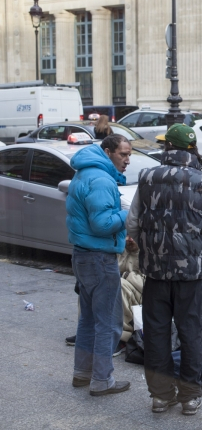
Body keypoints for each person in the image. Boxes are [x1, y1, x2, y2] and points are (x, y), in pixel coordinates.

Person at [126, 123, 202, 416]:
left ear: (167, 146)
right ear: (192, 149)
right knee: (190, 333)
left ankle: (160, 396)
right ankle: (190, 397)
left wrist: (147, 247)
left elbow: (132, 223)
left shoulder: (147, 177)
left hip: (155, 272)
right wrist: (200, 255)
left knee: (156, 334)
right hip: (190, 276)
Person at [66, 134, 132, 396]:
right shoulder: (102, 179)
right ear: (107, 151)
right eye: (123, 154)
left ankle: (82, 373)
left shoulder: (85, 173)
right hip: (99, 258)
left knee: (88, 319)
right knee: (109, 322)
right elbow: (102, 224)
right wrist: (130, 213)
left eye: (129, 154)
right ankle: (102, 381)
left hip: (82, 254)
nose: (127, 160)